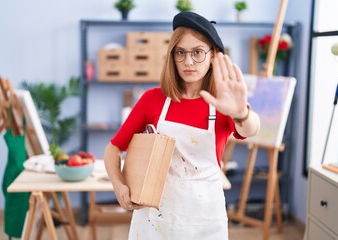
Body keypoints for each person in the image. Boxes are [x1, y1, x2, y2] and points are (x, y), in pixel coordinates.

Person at [104, 11, 260, 240]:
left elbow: (251, 128)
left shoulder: (222, 103)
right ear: (172, 56)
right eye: (181, 53)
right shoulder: (153, 99)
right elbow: (113, 149)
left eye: (198, 52)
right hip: (154, 218)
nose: (188, 61)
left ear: (213, 56)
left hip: (205, 218)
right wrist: (118, 185)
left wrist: (242, 113)